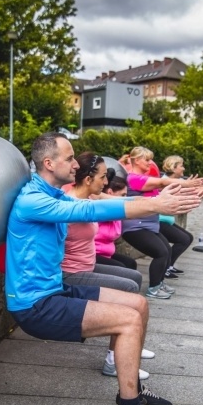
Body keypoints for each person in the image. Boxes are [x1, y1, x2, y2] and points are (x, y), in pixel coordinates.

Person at [5, 132, 201, 405]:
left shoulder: (52, 195)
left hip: (54, 290)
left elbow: (106, 201)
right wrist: (154, 205)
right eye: (69, 158)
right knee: (128, 321)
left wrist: (155, 201)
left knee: (138, 304)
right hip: (34, 306)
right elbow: (89, 211)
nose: (74, 164)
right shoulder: (33, 201)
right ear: (48, 163)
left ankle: (131, 385)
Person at [60, 152, 154, 381]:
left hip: (87, 266)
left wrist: (157, 202)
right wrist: (157, 205)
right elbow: (118, 209)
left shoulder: (90, 198)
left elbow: (122, 201)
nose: (106, 182)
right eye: (102, 177)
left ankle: (129, 344)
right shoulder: (73, 204)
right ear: (88, 179)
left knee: (134, 277)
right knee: (129, 288)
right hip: (71, 273)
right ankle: (114, 361)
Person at [120, 146, 203, 298]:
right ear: (137, 160)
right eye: (147, 160)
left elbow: (166, 191)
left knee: (166, 249)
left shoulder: (145, 180)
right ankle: (153, 289)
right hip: (135, 227)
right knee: (161, 252)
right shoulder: (133, 178)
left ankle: (159, 283)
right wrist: (186, 183)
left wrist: (191, 191)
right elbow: (161, 182)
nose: (150, 163)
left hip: (148, 226)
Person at [160, 154, 203, 277]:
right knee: (183, 239)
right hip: (161, 220)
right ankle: (165, 268)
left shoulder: (181, 181)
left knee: (185, 238)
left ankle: (168, 266)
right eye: (181, 166)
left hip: (171, 219)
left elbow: (198, 187)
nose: (184, 168)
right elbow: (190, 191)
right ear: (174, 167)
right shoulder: (165, 182)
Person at [95, 176, 139, 271]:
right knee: (121, 269)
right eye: (122, 195)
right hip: (93, 254)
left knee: (130, 263)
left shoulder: (116, 214)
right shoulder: (103, 209)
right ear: (110, 193)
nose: (125, 198)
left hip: (106, 253)